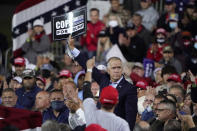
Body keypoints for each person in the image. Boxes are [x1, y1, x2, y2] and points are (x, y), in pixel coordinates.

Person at [67, 36, 137, 130]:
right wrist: (72, 48)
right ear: (108, 70)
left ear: (122, 70)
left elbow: (131, 116)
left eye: (118, 68)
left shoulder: (130, 88)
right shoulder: (104, 80)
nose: (116, 70)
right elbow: (87, 64)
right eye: (113, 68)